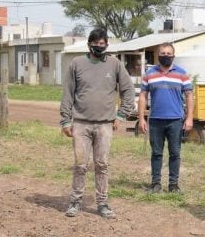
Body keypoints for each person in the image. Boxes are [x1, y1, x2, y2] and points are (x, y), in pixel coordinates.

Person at [60, 27, 135, 219]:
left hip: (105, 125)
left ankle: (102, 203)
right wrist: (65, 121)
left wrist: (120, 116)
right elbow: (68, 93)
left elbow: (128, 92)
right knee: (80, 165)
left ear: (107, 45)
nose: (99, 47)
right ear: (89, 44)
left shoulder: (115, 64)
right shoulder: (76, 64)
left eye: (103, 44)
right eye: (96, 43)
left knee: (102, 164)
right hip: (80, 124)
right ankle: (75, 202)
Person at [138, 43, 194, 193]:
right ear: (158, 55)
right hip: (155, 120)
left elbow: (189, 96)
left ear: (173, 55)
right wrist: (142, 118)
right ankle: (156, 183)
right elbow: (143, 96)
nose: (166, 56)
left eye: (169, 53)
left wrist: (189, 118)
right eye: (163, 53)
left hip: (176, 120)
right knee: (156, 153)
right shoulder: (149, 74)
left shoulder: (182, 73)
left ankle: (173, 185)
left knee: (175, 153)